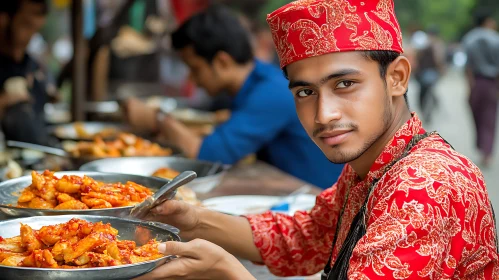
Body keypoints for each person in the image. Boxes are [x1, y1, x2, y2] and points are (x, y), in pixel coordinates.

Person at [135, 1, 499, 279]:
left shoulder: (425, 185)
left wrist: (230, 272)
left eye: (345, 84)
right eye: (306, 92)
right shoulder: (374, 165)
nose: (324, 115)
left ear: (398, 78)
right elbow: (304, 236)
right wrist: (193, 219)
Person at [126, 5, 343, 189]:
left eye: (195, 69)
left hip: (314, 199)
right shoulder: (257, 81)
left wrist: (159, 119)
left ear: (222, 62)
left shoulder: (271, 92)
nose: (193, 80)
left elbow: (208, 155)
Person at [0, 0, 54, 145]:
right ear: (4, 19)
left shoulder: (32, 65)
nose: (30, 36)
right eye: (26, 25)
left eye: (35, 29)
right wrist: (4, 101)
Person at [462, 10, 499, 167]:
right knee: (489, 118)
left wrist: (470, 86)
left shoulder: (469, 39)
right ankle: (487, 151)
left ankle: (481, 146)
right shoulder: (496, 39)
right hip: (491, 82)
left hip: (476, 82)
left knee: (476, 115)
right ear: (488, 21)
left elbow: (468, 66)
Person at [414, 26, 446, 123]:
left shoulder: (423, 42)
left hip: (422, 71)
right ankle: (430, 109)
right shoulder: (437, 44)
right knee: (429, 91)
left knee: (424, 92)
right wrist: (441, 69)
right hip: (430, 71)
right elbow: (438, 58)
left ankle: (427, 110)